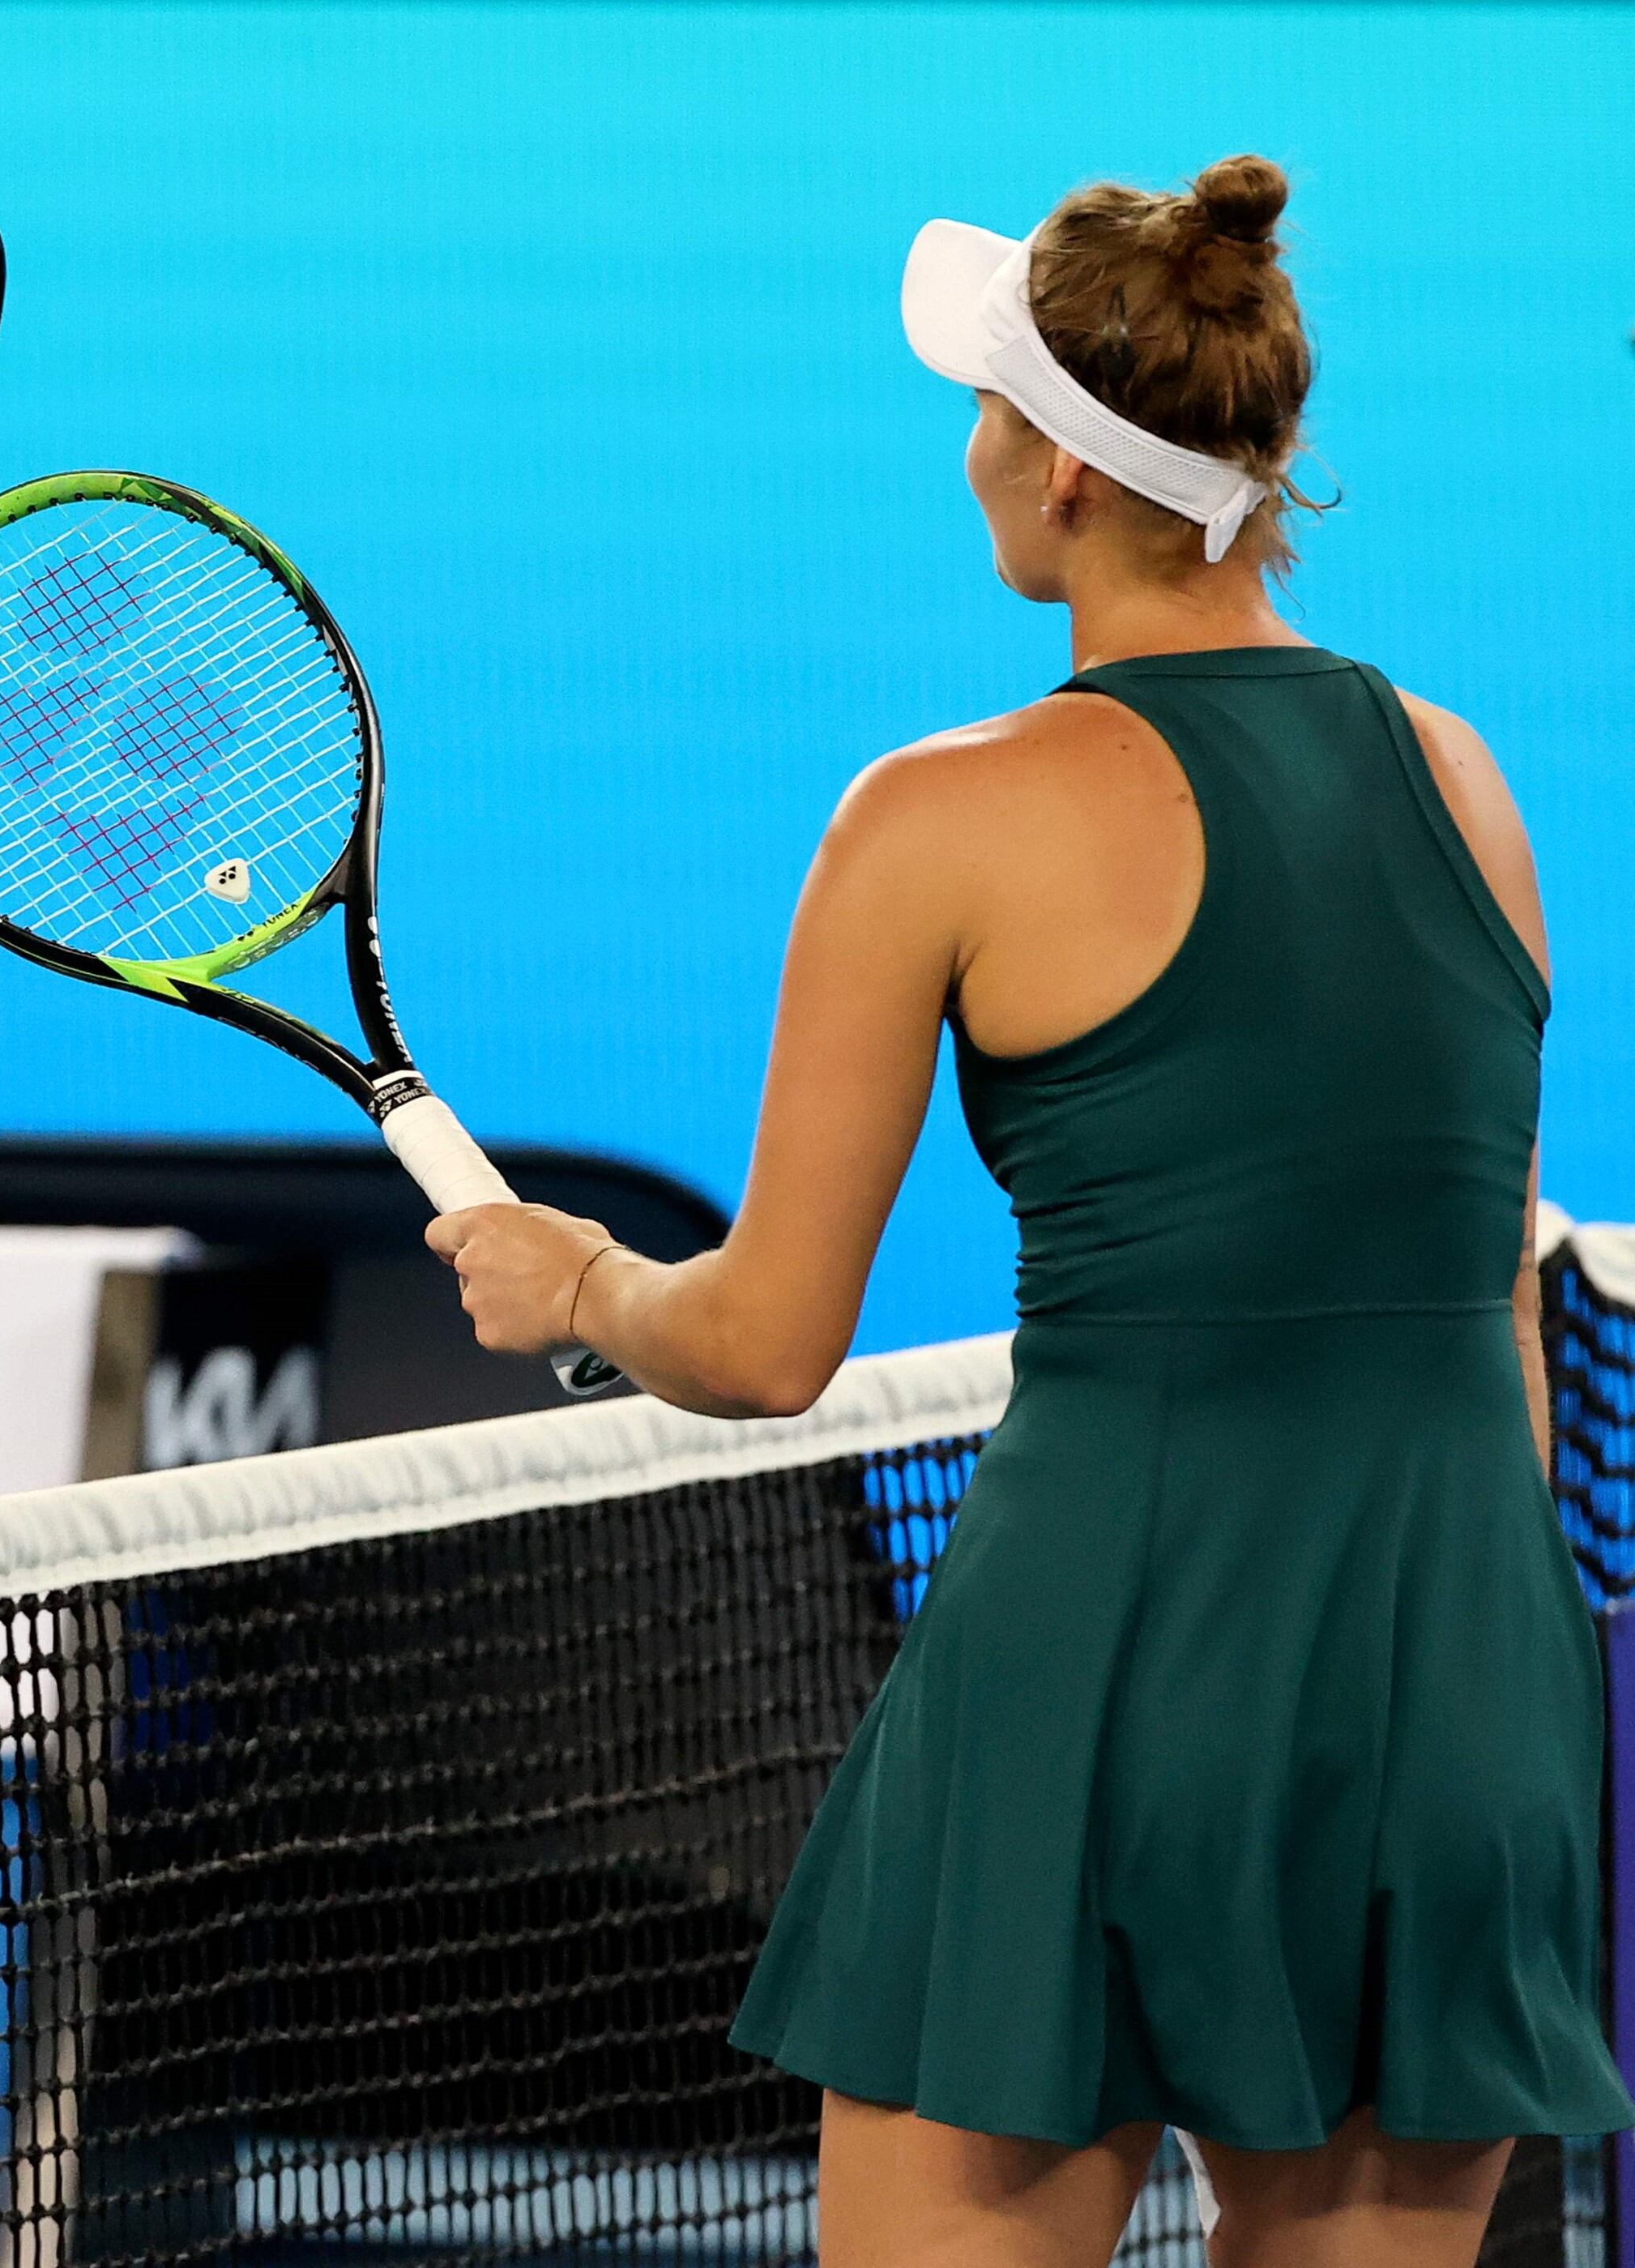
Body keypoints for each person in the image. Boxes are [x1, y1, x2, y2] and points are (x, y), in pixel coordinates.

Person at [432, 155, 1629, 2265]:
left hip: (1100, 1676)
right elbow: (1497, 1305)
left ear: (1062, 475)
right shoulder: (1461, 782)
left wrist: (577, 1274)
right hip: (1447, 1692)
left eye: (984, 410)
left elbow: (762, 1345)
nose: (965, 451)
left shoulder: (934, 818)